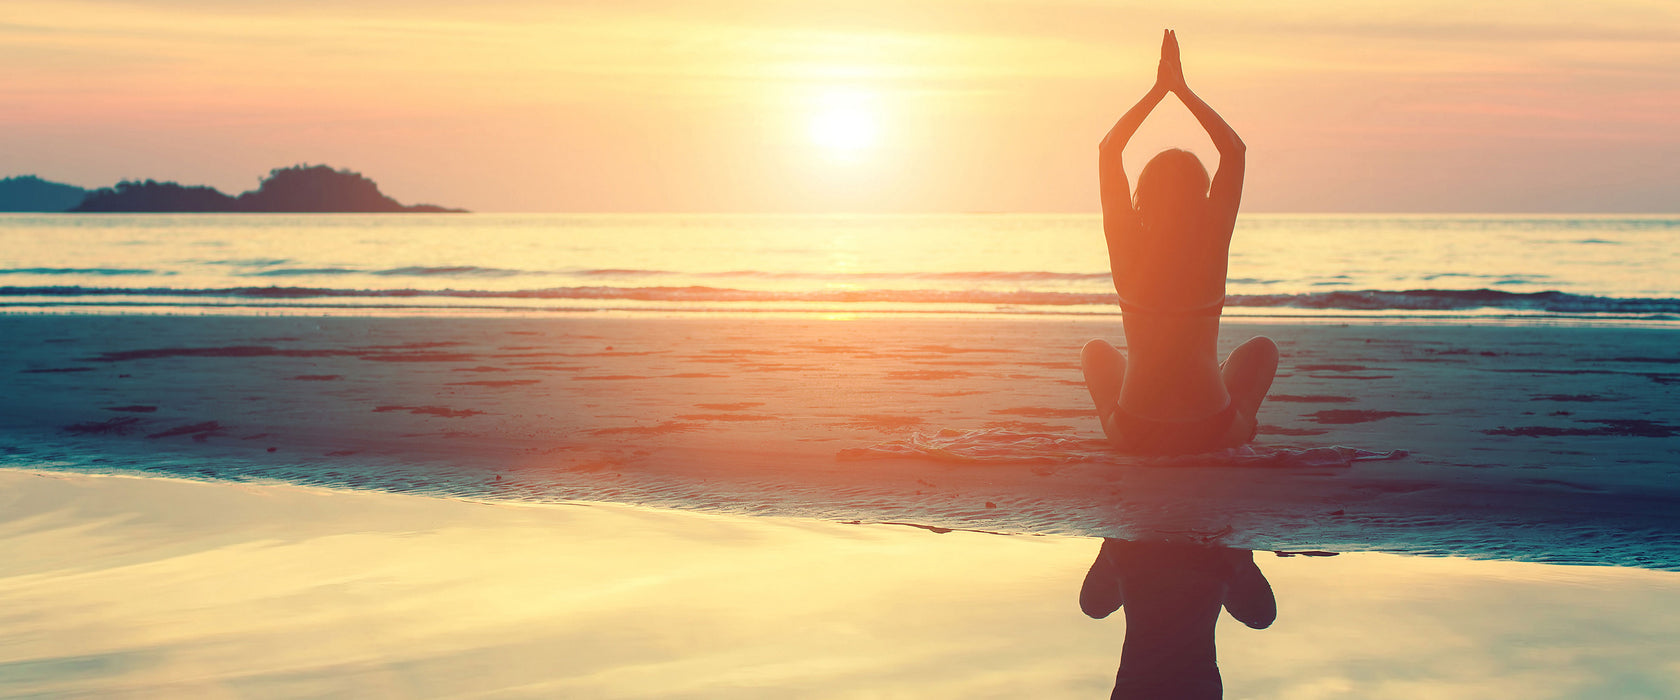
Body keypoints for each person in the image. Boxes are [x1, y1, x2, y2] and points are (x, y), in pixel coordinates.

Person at [1082, 29, 1278, 455]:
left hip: (1134, 432)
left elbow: (1108, 150)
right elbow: (1235, 152)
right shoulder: (1212, 243)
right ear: (1201, 196)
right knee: (1262, 350)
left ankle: (1121, 429)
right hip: (1212, 430)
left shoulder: (1125, 245)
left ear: (1142, 196)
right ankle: (1243, 425)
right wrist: (1183, 91)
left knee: (1096, 353)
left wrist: (1158, 92)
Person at [1080, 538, 1276, 699]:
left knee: (1094, 606)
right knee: (1093, 606)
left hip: (1200, 567)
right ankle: (1123, 551)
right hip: (1149, 563)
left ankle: (1226, 561)